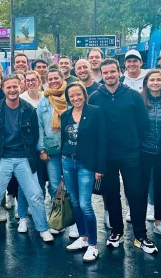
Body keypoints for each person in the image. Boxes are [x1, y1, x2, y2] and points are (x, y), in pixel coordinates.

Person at [88, 58, 157, 254]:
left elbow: (144, 124)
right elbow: (91, 128)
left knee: (135, 194)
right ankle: (116, 231)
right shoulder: (94, 97)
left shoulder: (133, 96)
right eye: (105, 72)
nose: (109, 75)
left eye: (112, 72)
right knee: (111, 195)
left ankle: (140, 235)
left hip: (131, 154)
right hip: (107, 156)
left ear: (119, 72)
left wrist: (138, 146)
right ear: (101, 74)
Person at [0, 74, 53, 243]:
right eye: (8, 87)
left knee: (35, 195)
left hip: (24, 158)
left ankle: (43, 229)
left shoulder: (29, 109)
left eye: (14, 87)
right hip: (2, 158)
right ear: (3, 89)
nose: (12, 90)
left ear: (20, 87)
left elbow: (35, 134)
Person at [60, 82, 106, 262]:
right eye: (72, 96)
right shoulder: (65, 115)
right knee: (75, 203)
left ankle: (93, 245)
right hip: (67, 161)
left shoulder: (95, 112)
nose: (75, 98)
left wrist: (99, 168)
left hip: (86, 163)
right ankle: (83, 237)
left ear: (84, 95)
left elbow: (102, 141)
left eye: (78, 94)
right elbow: (63, 138)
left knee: (86, 204)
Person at [36, 68, 71, 236]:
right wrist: (41, 149)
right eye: (51, 79)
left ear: (62, 78)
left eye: (57, 78)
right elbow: (40, 128)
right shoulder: (43, 101)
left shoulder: (71, 96)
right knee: (55, 186)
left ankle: (75, 221)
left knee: (72, 185)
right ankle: (59, 219)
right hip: (51, 150)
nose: (54, 81)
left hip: (71, 149)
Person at [139, 70, 161, 236]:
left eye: (158, 79)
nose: (155, 82)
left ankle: (159, 220)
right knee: (141, 187)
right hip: (143, 150)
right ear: (146, 82)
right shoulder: (140, 101)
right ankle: (140, 222)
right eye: (152, 80)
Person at [16, 70, 47, 228]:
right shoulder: (21, 99)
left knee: (41, 183)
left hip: (46, 148)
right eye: (28, 80)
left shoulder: (46, 97)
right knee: (24, 184)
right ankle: (22, 216)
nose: (31, 83)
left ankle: (39, 214)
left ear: (39, 81)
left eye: (34, 80)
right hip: (26, 149)